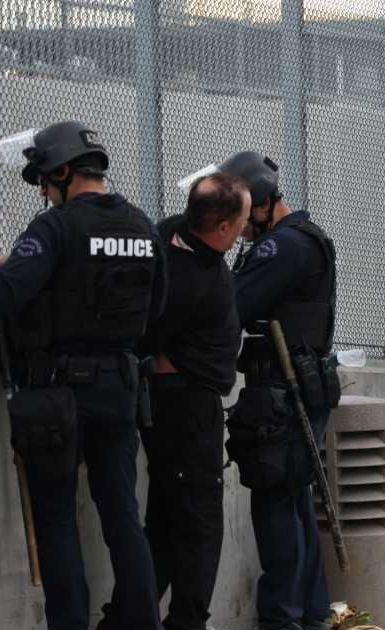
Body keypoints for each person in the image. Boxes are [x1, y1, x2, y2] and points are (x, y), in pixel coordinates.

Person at [0, 120, 166, 629]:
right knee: (122, 514)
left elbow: (0, 297)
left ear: (64, 174)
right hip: (120, 386)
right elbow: (157, 309)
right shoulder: (143, 226)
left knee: (56, 519)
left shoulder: (55, 228)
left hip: (58, 392)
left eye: (45, 183)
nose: (44, 194)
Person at [107, 173, 248, 630]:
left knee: (167, 521)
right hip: (186, 407)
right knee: (199, 524)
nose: (246, 229)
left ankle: (129, 619)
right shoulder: (196, 277)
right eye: (243, 219)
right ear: (223, 227)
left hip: (172, 400)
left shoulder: (168, 234)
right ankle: (183, 621)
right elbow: (152, 331)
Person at [226, 151, 339, 630]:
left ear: (263, 202)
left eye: (241, 213)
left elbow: (233, 301)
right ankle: (308, 612)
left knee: (276, 500)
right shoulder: (303, 239)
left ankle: (282, 616)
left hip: (283, 390)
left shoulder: (283, 246)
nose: (238, 226)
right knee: (294, 499)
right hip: (295, 386)